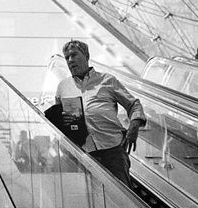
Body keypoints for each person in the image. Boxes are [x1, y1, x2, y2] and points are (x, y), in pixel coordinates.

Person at [55, 39, 145, 187]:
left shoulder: (107, 80)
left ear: (86, 55)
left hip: (112, 149)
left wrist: (134, 127)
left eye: (74, 55)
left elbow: (134, 104)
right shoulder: (63, 87)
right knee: (94, 201)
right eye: (67, 57)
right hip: (84, 154)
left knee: (123, 196)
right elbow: (60, 120)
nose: (70, 60)